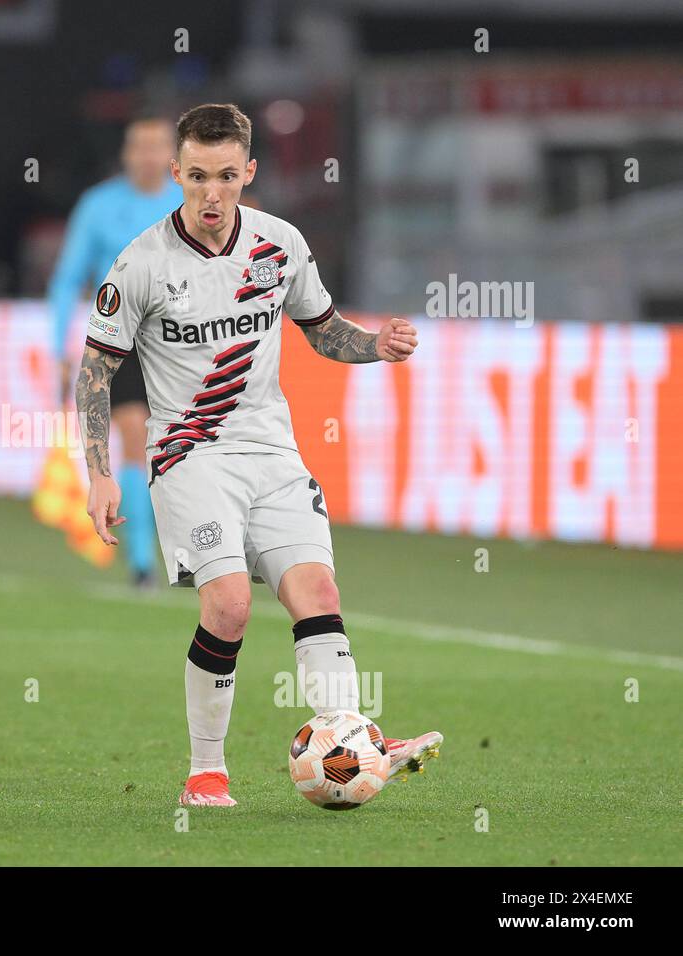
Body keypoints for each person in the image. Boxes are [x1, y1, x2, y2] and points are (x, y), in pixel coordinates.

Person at [74, 103, 442, 808]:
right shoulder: (142, 263)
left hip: (272, 450)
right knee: (232, 606)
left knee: (319, 595)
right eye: (197, 177)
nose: (212, 195)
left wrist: (376, 347)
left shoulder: (280, 244)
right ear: (177, 173)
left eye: (226, 177)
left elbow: (324, 329)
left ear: (249, 172)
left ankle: (347, 738)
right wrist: (97, 474)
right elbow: (93, 373)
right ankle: (206, 772)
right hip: (189, 455)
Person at [47, 117, 182, 588]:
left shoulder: (192, 202)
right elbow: (67, 278)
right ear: (126, 153)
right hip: (122, 338)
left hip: (185, 343)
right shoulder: (99, 205)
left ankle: (199, 549)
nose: (148, 156)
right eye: (139, 147)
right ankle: (143, 561)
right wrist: (58, 345)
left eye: (157, 146)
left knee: (185, 448)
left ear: (173, 155)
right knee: (134, 440)